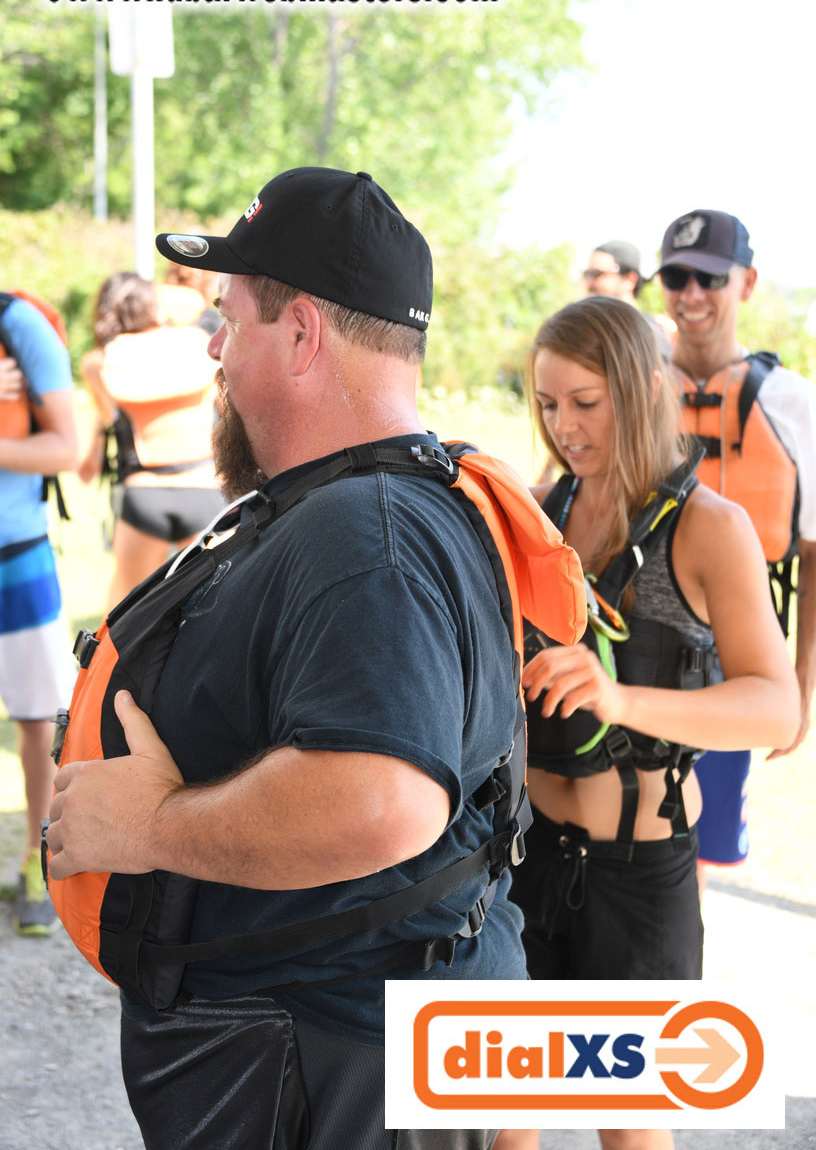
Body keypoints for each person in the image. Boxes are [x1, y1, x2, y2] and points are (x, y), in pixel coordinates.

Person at [45, 167, 556, 1150]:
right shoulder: (376, 501)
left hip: (334, 1069)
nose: (216, 354)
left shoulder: (367, 532)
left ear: (303, 332)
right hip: (336, 1053)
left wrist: (151, 828)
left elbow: (382, 800)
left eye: (228, 322)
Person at [495, 296, 798, 1150]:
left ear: (636, 390)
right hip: (528, 858)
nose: (565, 429)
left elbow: (777, 708)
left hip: (639, 872)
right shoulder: (542, 514)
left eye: (585, 404)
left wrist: (619, 697)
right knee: (501, 1119)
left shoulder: (712, 528)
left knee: (628, 1125)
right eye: (548, 405)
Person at [657, 209, 816, 877]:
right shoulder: (633, 384)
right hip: (627, 650)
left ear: (746, 283)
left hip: (733, 666)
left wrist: (803, 684)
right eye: (677, 276)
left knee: (696, 856)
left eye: (711, 278)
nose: (693, 294)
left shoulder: (791, 403)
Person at [0, 291, 77, 936]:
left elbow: (64, 449)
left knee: (36, 722)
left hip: (14, 556)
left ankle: (34, 861)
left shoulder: (17, 323)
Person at [79, 272, 224, 607]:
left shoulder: (101, 362)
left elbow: (105, 429)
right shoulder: (195, 344)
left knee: (129, 612)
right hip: (206, 489)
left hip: (142, 493)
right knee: (215, 606)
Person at [583, 239, 674, 361]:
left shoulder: (649, 334)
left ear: (630, 279)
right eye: (587, 274)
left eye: (597, 274)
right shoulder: (587, 331)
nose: (589, 283)